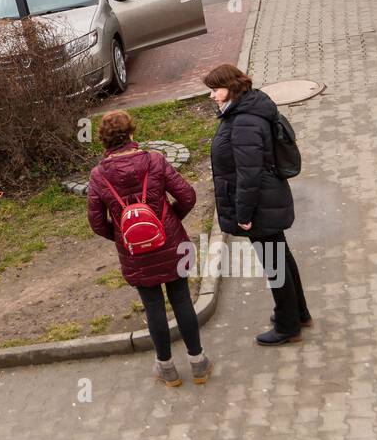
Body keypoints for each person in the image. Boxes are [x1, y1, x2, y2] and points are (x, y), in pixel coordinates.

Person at [87, 110, 210, 386]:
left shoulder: (98, 176)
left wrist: (124, 237)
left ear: (104, 142)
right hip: (171, 244)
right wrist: (169, 224)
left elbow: (97, 223)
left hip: (135, 253)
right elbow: (187, 196)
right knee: (182, 300)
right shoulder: (154, 160)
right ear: (131, 134)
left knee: (153, 307)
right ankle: (198, 363)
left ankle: (167, 369)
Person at [204, 64, 310, 345]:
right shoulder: (247, 110)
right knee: (281, 256)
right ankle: (297, 313)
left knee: (275, 262)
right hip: (267, 197)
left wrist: (244, 214)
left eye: (216, 90)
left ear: (231, 88)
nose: (213, 96)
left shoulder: (243, 122)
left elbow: (248, 174)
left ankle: (288, 327)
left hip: (260, 203)